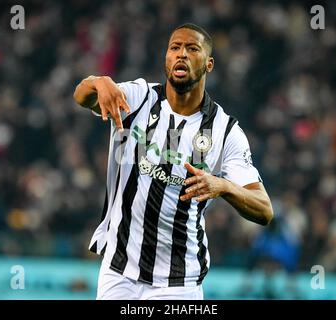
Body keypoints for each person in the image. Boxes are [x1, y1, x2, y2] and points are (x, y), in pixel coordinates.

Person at [73, 23, 274, 300]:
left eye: (192, 49)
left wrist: (224, 187)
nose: (182, 54)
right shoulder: (138, 98)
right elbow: (81, 96)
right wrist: (99, 81)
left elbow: (264, 210)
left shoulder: (225, 131)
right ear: (166, 58)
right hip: (118, 270)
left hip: (178, 282)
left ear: (209, 64)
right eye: (175, 48)